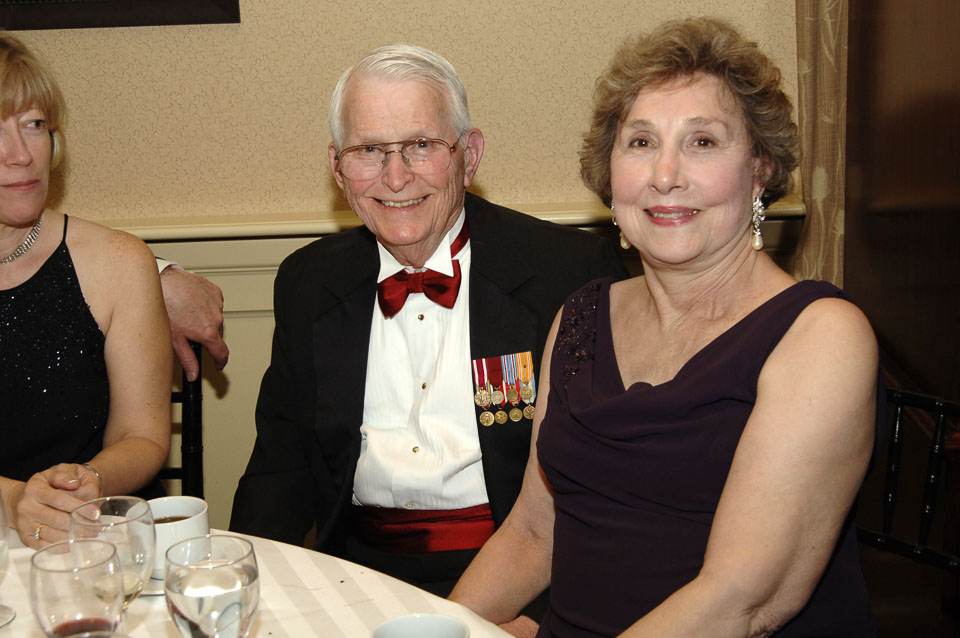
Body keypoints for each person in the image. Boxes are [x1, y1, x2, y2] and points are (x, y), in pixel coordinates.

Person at [450, 18, 880, 637]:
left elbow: (741, 602)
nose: (665, 173)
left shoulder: (821, 337)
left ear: (759, 170)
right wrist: (433, 627)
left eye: (702, 141)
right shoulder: (580, 319)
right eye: (641, 141)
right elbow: (533, 533)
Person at [230, 43, 627, 606]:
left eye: (421, 145)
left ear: (470, 154)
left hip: (521, 577)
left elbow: (606, 481)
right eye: (369, 150)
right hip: (355, 575)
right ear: (338, 168)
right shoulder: (307, 281)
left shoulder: (567, 273)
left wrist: (546, 619)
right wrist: (244, 591)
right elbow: (280, 471)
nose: (395, 177)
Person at [0, 32, 172, 548]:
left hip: (90, 539)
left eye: (34, 125)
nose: (20, 154)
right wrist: (14, 499)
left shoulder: (118, 262)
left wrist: (87, 483)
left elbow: (141, 436)